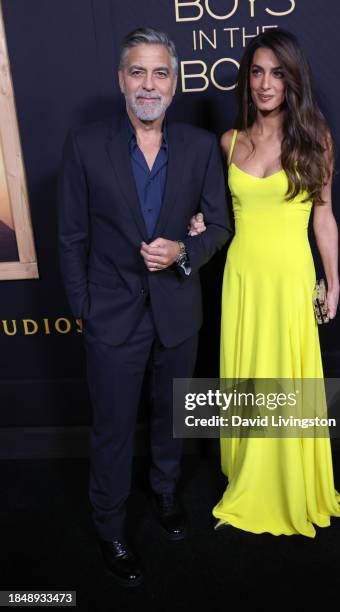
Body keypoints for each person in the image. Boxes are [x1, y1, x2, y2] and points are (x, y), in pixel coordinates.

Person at [57, 27, 231, 586]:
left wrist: (186, 250)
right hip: (111, 316)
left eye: (160, 73)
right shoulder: (85, 145)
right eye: (138, 72)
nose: (148, 84)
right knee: (111, 428)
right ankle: (109, 525)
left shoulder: (202, 148)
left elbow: (220, 226)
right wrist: (86, 307)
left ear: (175, 85)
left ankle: (164, 494)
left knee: (172, 418)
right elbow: (70, 236)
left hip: (179, 311)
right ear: (121, 81)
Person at [192, 29, 340, 536]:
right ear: (247, 79)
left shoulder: (314, 138)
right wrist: (199, 224)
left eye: (276, 73)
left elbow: (323, 217)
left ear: (291, 79)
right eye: (257, 72)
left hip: (288, 277)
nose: (265, 84)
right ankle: (248, 477)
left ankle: (287, 481)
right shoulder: (229, 142)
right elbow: (219, 216)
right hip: (242, 277)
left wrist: (334, 280)